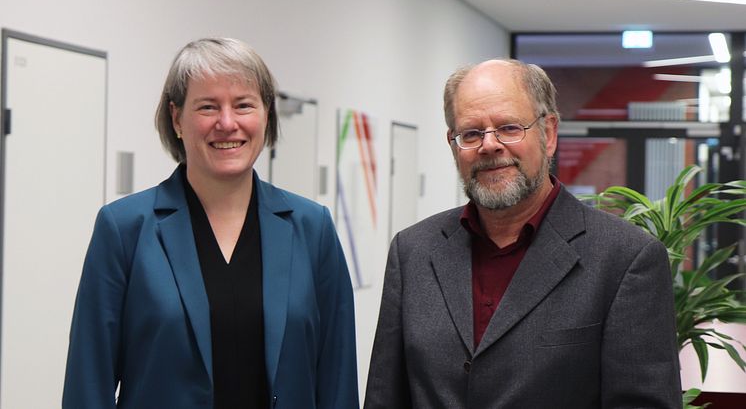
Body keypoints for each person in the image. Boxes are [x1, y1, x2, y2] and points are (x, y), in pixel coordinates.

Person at [364, 59, 681, 408]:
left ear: (549, 134)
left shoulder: (625, 259)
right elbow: (385, 398)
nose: (490, 145)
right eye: (471, 133)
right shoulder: (412, 252)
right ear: (453, 146)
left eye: (509, 127)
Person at [62, 37, 358, 409]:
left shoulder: (313, 229)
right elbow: (88, 382)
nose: (227, 123)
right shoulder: (124, 229)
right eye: (207, 107)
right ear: (176, 119)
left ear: (266, 115)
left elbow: (337, 378)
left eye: (243, 105)